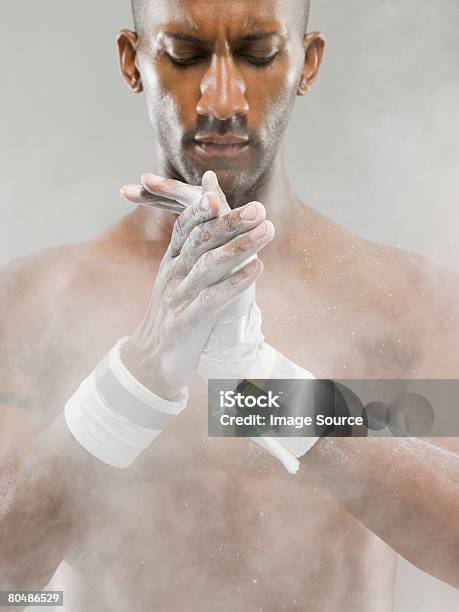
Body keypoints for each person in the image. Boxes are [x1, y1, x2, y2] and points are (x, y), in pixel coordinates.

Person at [0, 0, 458, 610]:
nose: (221, 100)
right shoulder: (31, 304)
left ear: (308, 63)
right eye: (184, 55)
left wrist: (266, 388)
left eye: (259, 54)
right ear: (132, 61)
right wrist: (135, 379)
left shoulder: (406, 302)